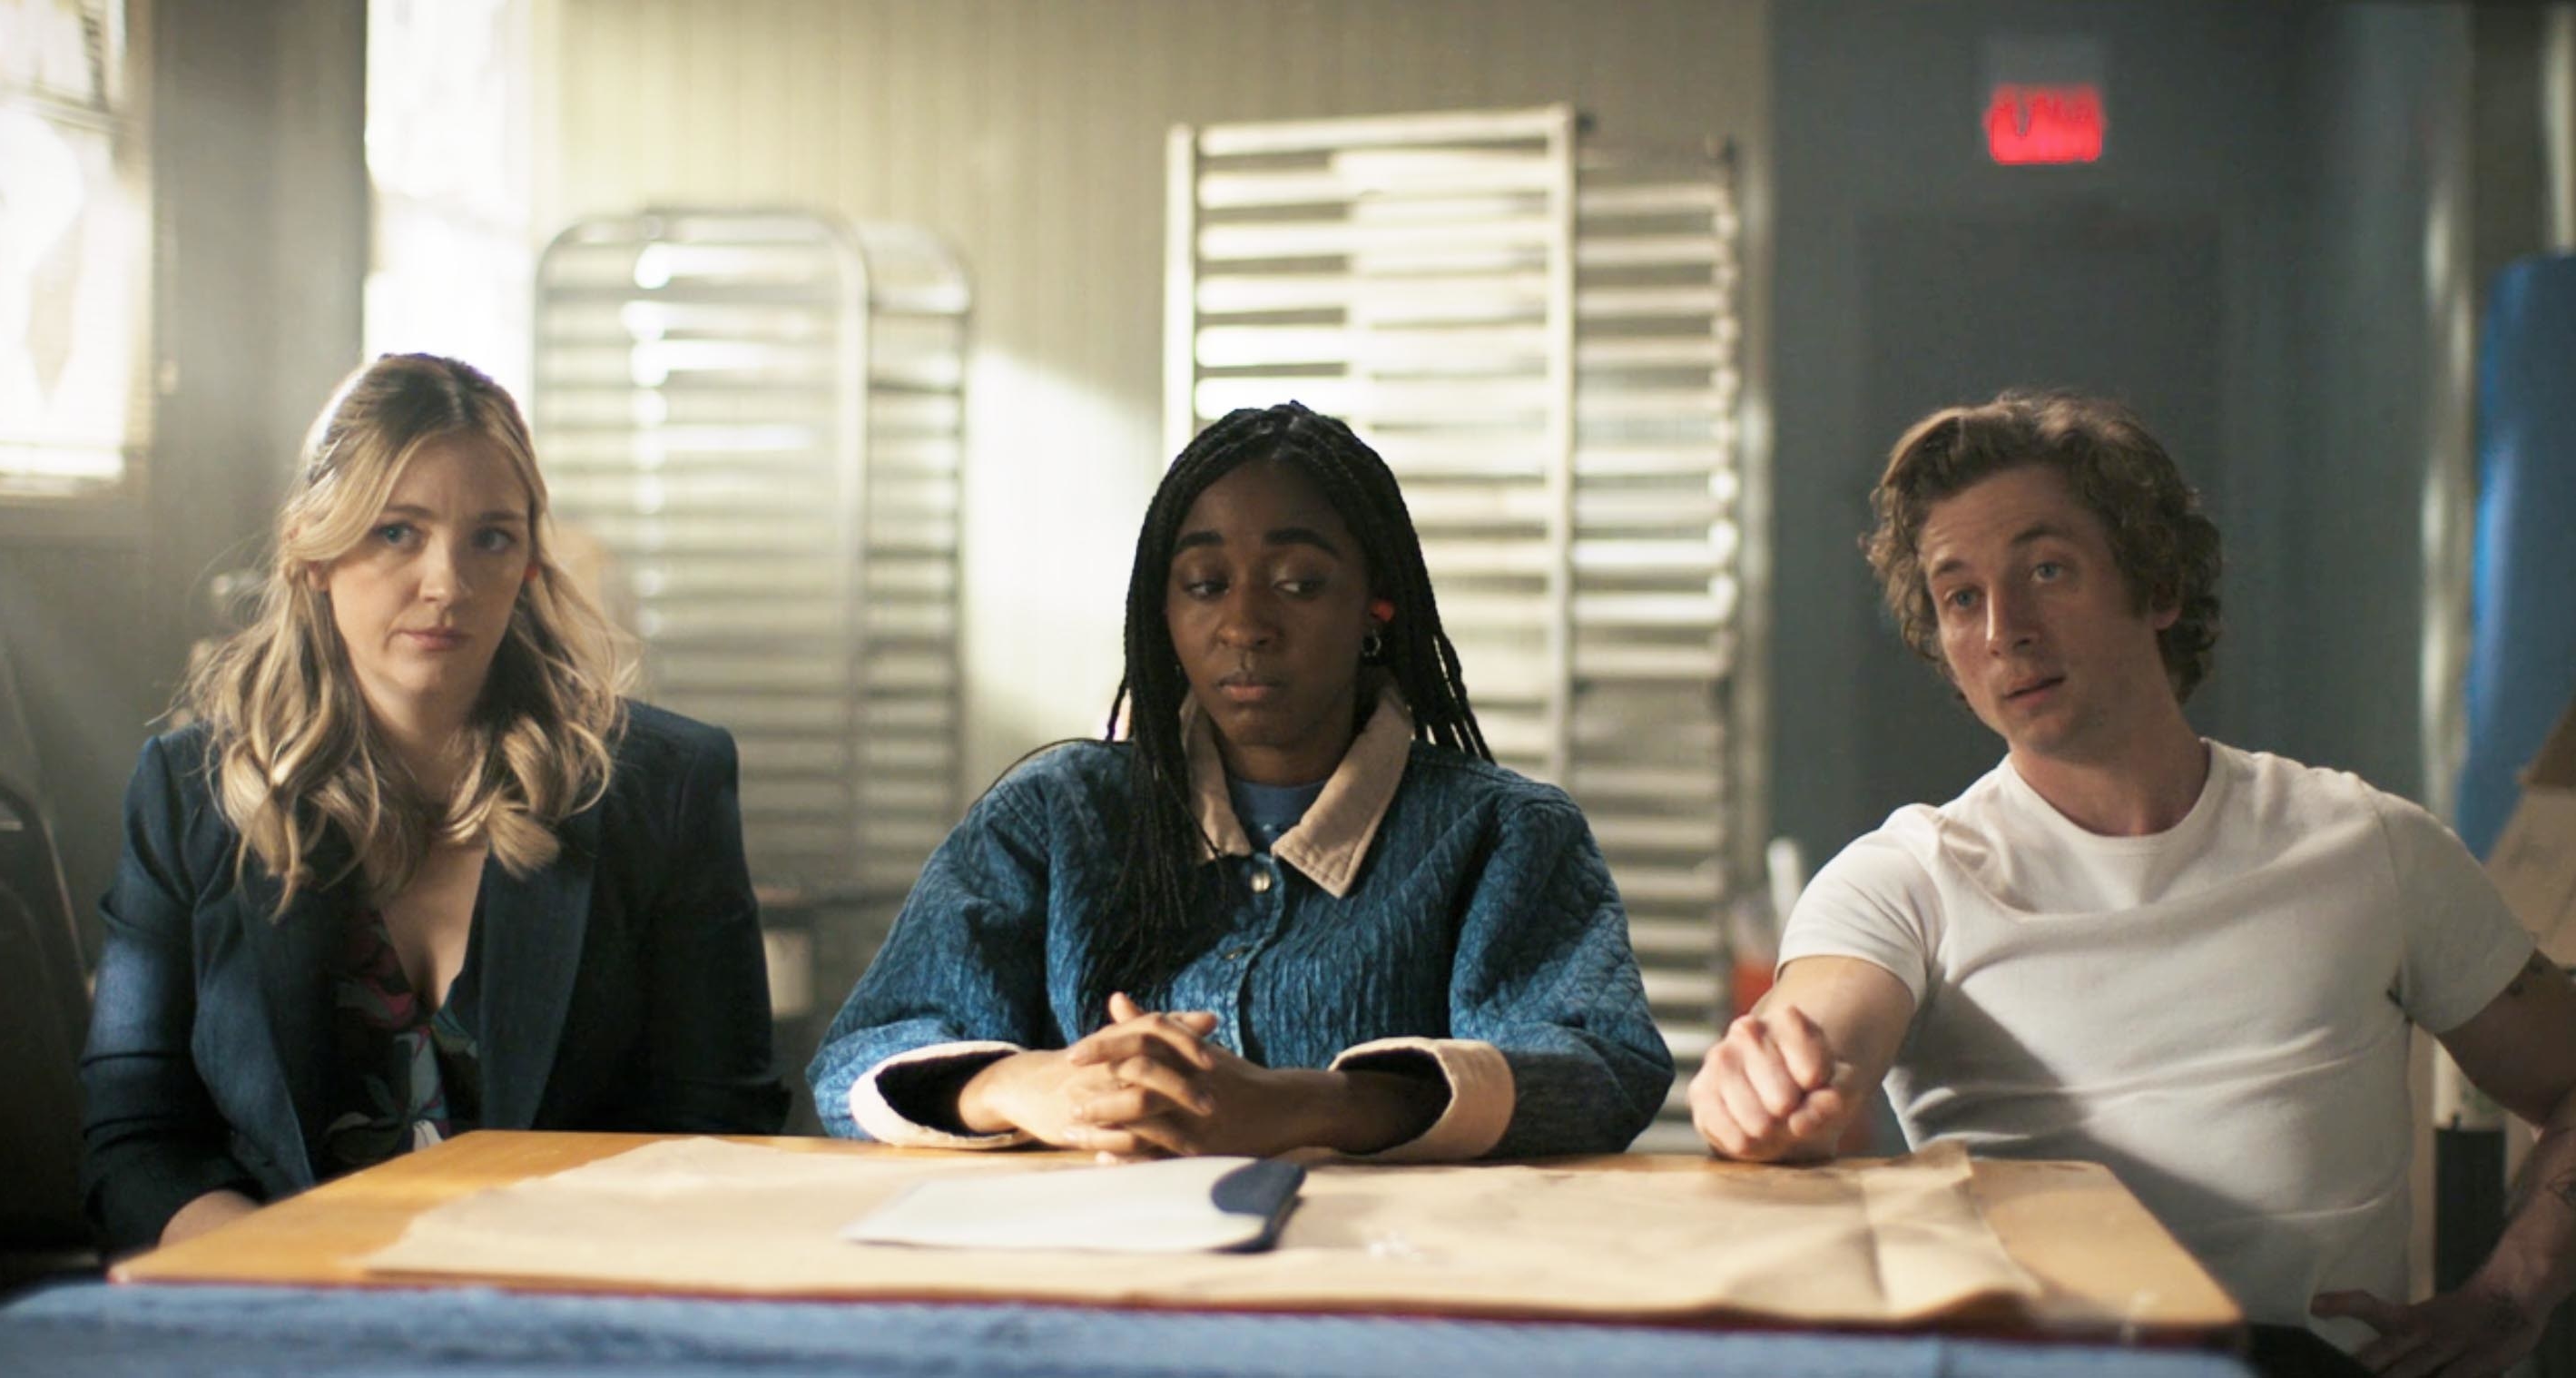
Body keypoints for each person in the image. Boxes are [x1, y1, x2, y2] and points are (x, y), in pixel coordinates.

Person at [1687, 390, 2576, 1372]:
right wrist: (1767, 1086)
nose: (2004, 630)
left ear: (2157, 588)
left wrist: (2506, 1298)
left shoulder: (2368, 845)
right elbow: (1821, 1028)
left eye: (2046, 569)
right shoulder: (1905, 880)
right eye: (1960, 597)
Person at [808, 401, 1671, 1161]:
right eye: (1205, 584)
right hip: (1090, 1287)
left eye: (1299, 584)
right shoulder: (1052, 815)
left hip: (1377, 1302)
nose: (1245, 624)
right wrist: (1028, 1086)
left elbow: (1599, 1070)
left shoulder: (1504, 836)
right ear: (1165, 610)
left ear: (1377, 605)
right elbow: (861, 1055)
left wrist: (1310, 1106)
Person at [80, 354, 788, 1255]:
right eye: (395, 533)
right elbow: (137, 1141)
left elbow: (716, 1127)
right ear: (313, 551)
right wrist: (287, 1286)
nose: (447, 583)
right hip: (274, 1317)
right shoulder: (187, 795)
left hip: (572, 1315)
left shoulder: (664, 786)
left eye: (490, 538)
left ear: (531, 562)